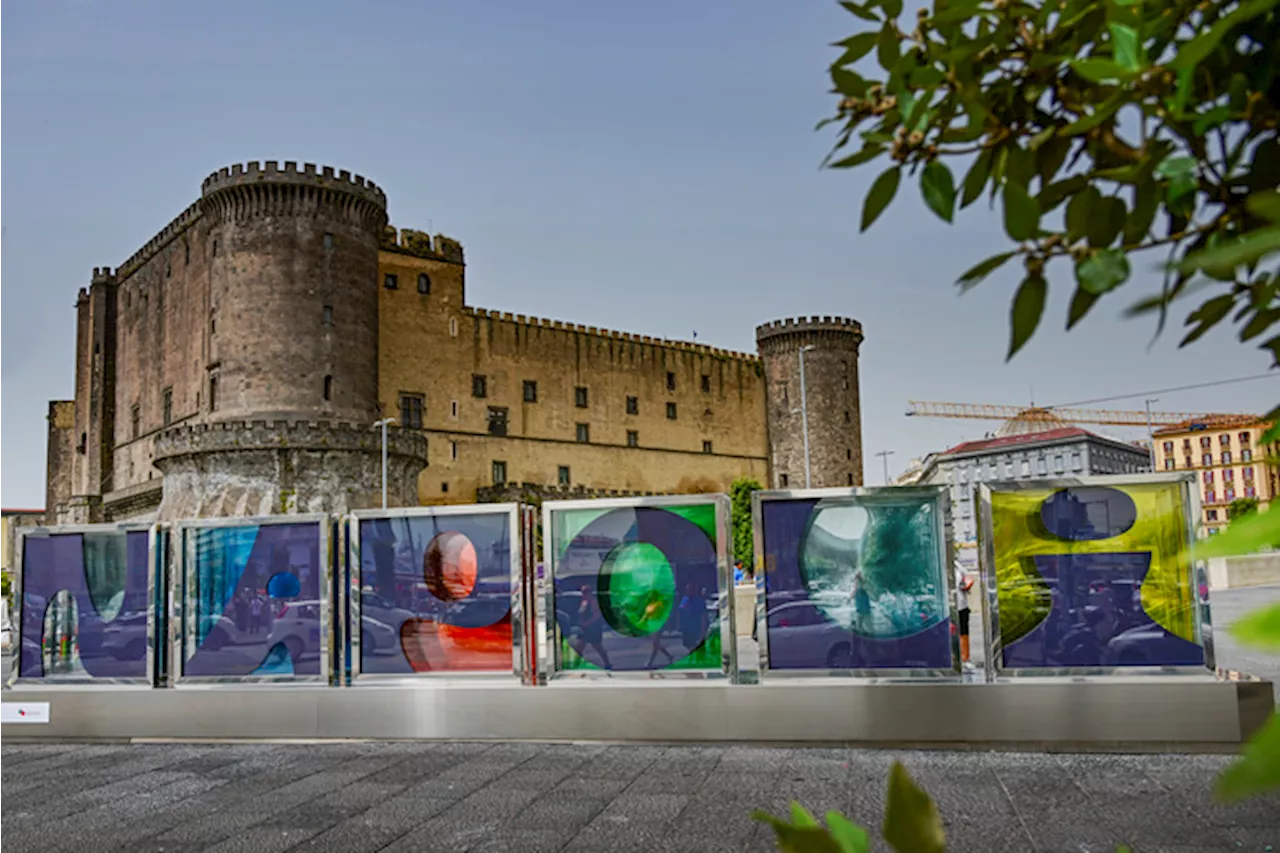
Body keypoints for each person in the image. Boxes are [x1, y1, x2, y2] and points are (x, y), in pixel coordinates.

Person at [955, 562, 975, 667]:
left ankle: (965, 658)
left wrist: (968, 583)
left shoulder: (957, 565)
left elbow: (968, 577)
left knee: (963, 631)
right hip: (947, 606)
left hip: (961, 604)